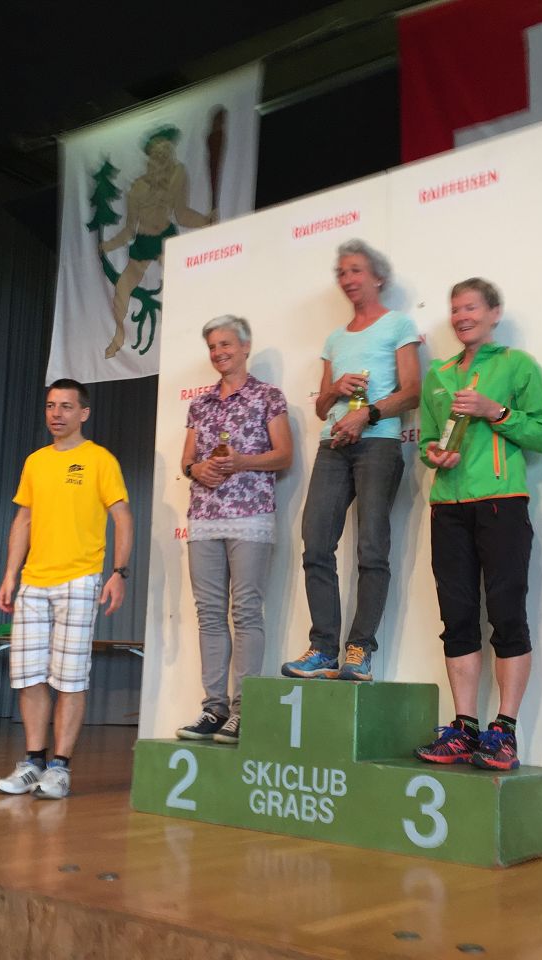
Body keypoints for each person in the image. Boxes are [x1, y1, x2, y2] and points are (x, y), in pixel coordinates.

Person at [412, 278, 542, 771]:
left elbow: (541, 435)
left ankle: (505, 731)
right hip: (447, 507)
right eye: (455, 309)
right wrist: (433, 454)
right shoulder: (439, 374)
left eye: (471, 307)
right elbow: (427, 440)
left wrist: (497, 411)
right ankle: (465, 728)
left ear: (494, 312)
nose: (461, 317)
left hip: (501, 502)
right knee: (457, 619)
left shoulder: (517, 364)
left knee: (508, 615)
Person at [281, 239, 421, 683]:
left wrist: (368, 414)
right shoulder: (335, 338)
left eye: (356, 270)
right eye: (342, 272)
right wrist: (335, 389)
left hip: (379, 444)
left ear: (378, 277)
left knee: (372, 549)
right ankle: (324, 648)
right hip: (333, 445)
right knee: (316, 545)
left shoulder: (399, 324)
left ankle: (360, 649)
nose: (348, 279)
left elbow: (413, 391)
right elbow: (322, 408)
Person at [0, 379, 134, 800]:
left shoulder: (99, 459)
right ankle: (33, 762)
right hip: (34, 581)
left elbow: (122, 517)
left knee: (70, 678)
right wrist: (10, 575)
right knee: (29, 676)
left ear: (83, 413)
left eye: (66, 406)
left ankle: (60, 768)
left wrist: (119, 572)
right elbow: (23, 520)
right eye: (51, 406)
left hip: (79, 579)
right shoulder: (35, 461)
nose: (56, 414)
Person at [176, 315, 292, 743]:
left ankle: (244, 711)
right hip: (204, 516)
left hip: (250, 515)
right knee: (209, 613)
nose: (218, 352)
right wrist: (196, 469)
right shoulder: (200, 404)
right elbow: (187, 460)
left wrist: (243, 461)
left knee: (245, 611)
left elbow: (284, 456)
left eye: (225, 344)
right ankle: (213, 708)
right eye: (212, 346)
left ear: (245, 347)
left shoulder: (268, 396)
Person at [99, 126, 215, 359]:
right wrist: (108, 245)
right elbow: (129, 229)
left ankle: (192, 335)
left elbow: (181, 214)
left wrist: (205, 221)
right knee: (122, 290)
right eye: (157, 152)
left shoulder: (178, 174)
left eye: (165, 150)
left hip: (166, 239)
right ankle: (119, 337)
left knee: (180, 287)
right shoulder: (137, 189)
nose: (162, 155)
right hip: (143, 242)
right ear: (150, 156)